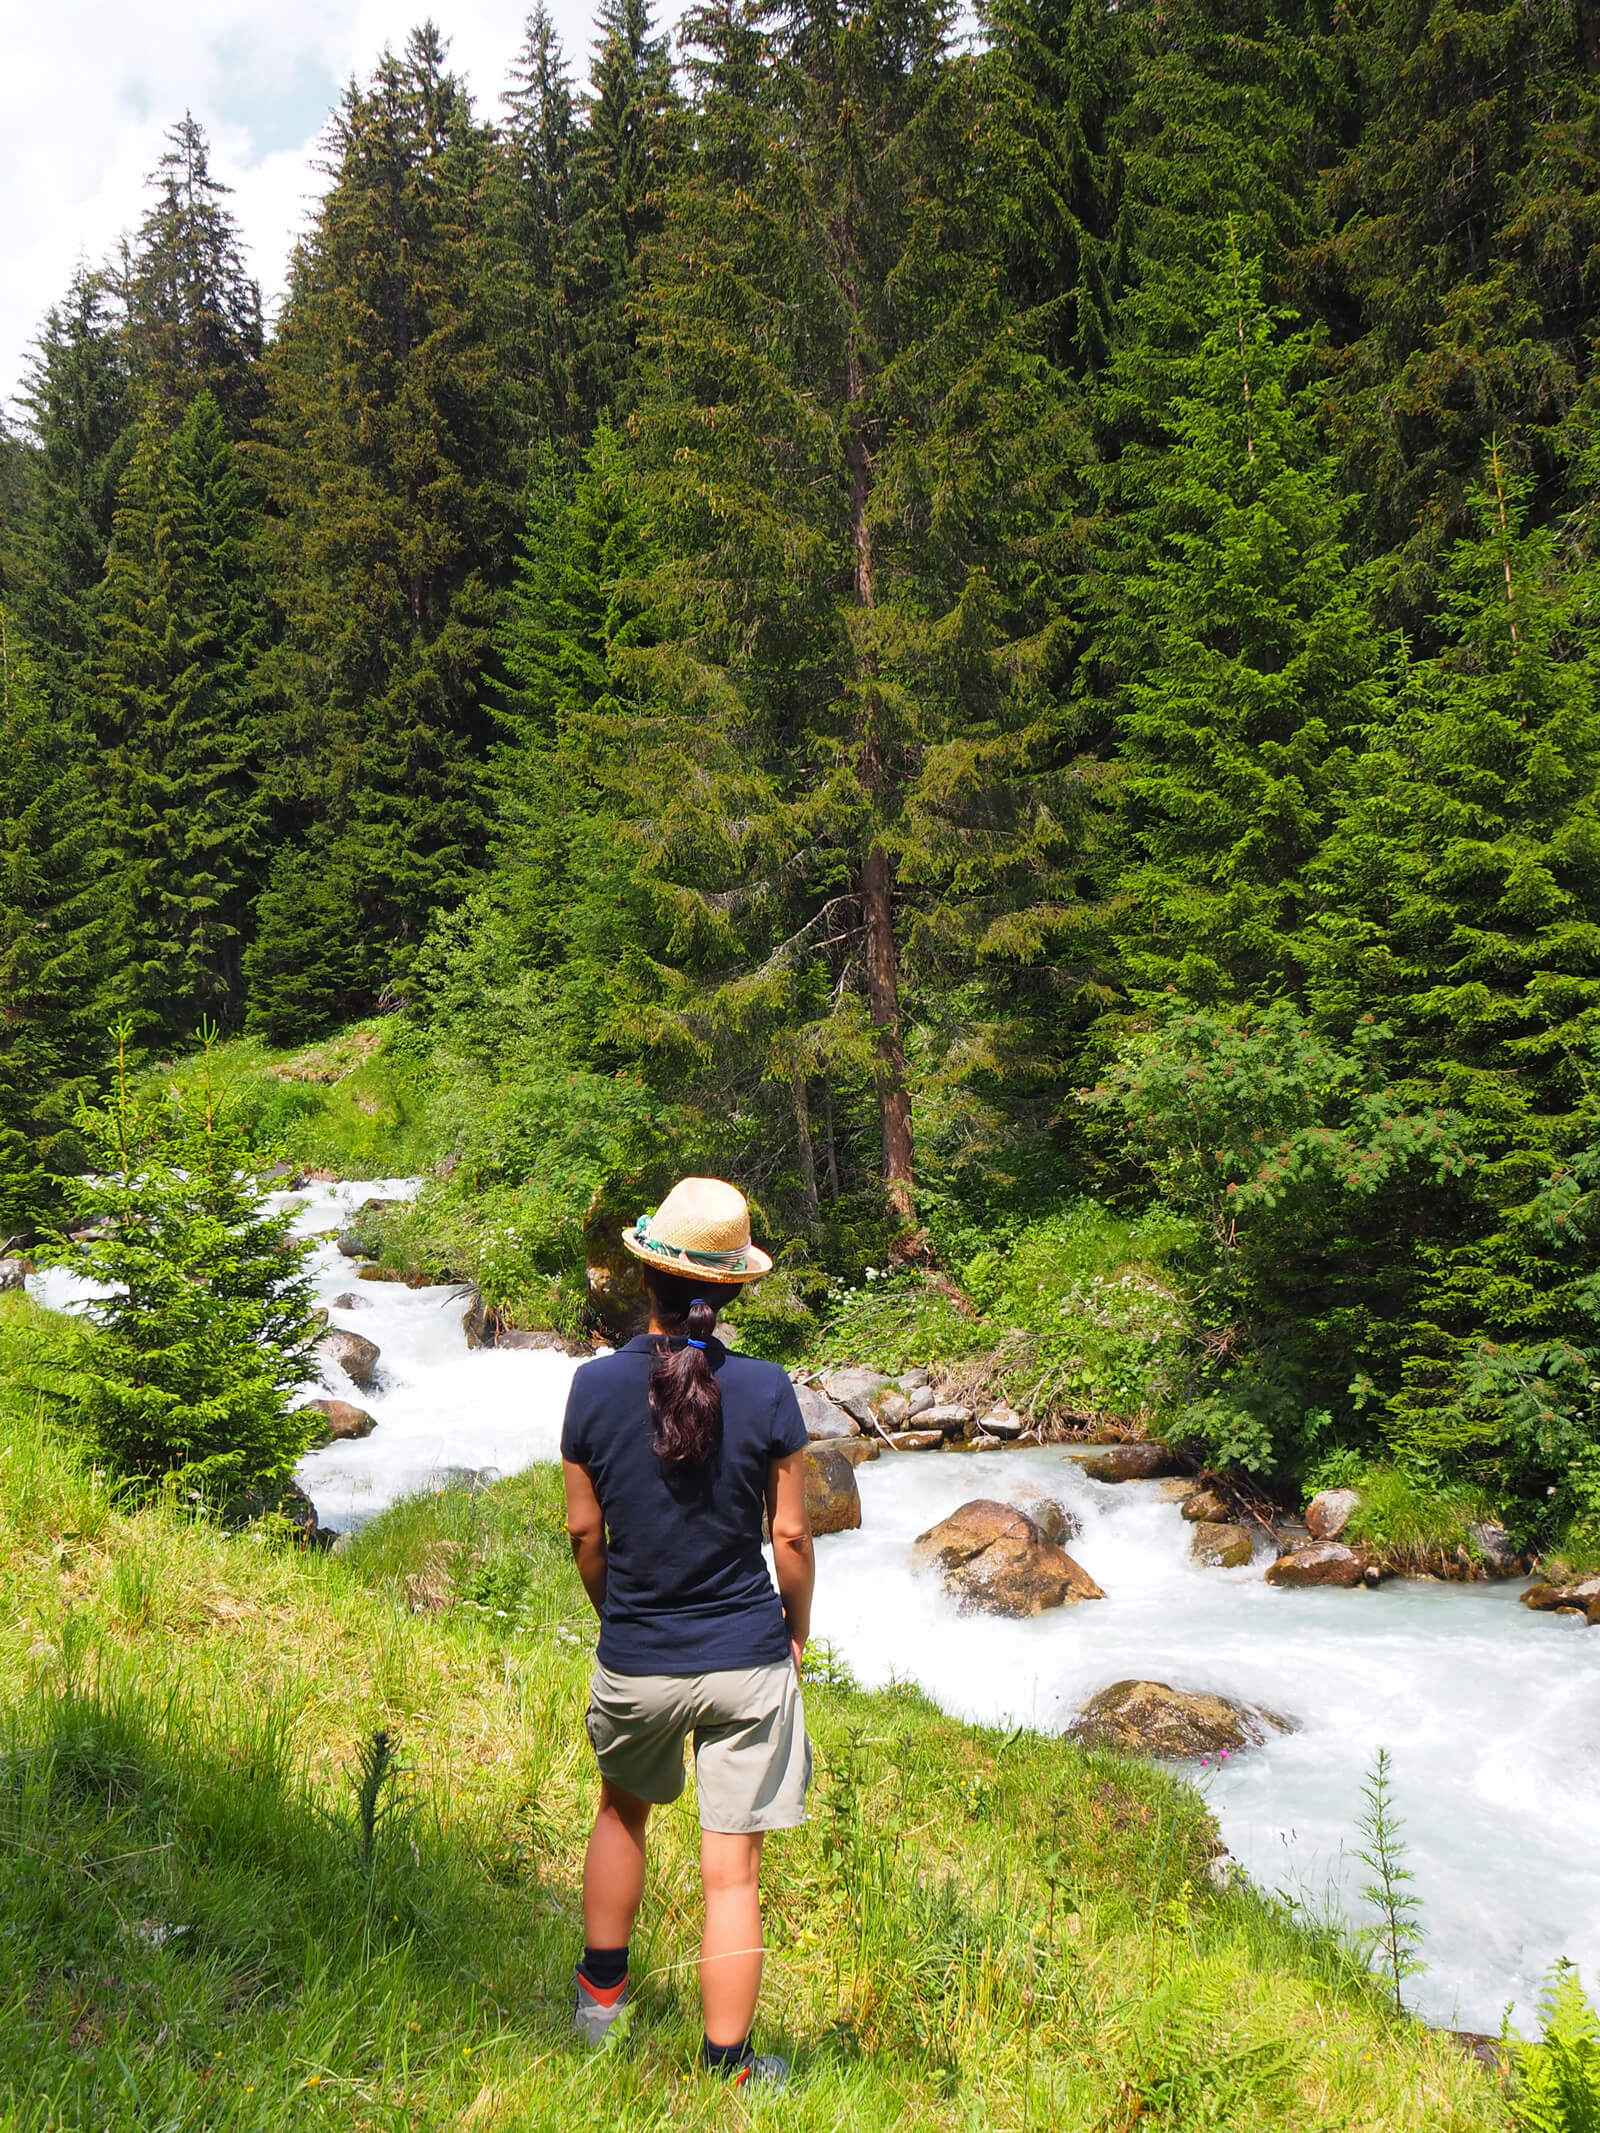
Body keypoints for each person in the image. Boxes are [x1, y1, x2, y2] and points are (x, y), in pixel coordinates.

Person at [560, 1175, 815, 2090]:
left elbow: (586, 1534)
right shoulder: (770, 1389)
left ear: (646, 1280)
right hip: (746, 1656)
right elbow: (788, 1534)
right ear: (735, 1287)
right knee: (731, 1868)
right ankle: (731, 2069)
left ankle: (599, 2011)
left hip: (638, 1653)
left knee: (620, 1811)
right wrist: (796, 1629)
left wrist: (616, 1614)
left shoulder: (591, 1388)